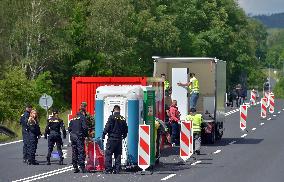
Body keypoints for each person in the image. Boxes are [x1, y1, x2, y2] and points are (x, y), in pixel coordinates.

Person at [102, 105, 128, 174]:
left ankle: (108, 170)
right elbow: (126, 129)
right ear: (119, 110)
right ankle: (117, 170)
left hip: (111, 139)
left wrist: (103, 135)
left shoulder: (111, 117)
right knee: (118, 154)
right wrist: (124, 136)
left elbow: (107, 127)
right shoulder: (122, 118)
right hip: (119, 139)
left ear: (114, 110)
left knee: (108, 154)